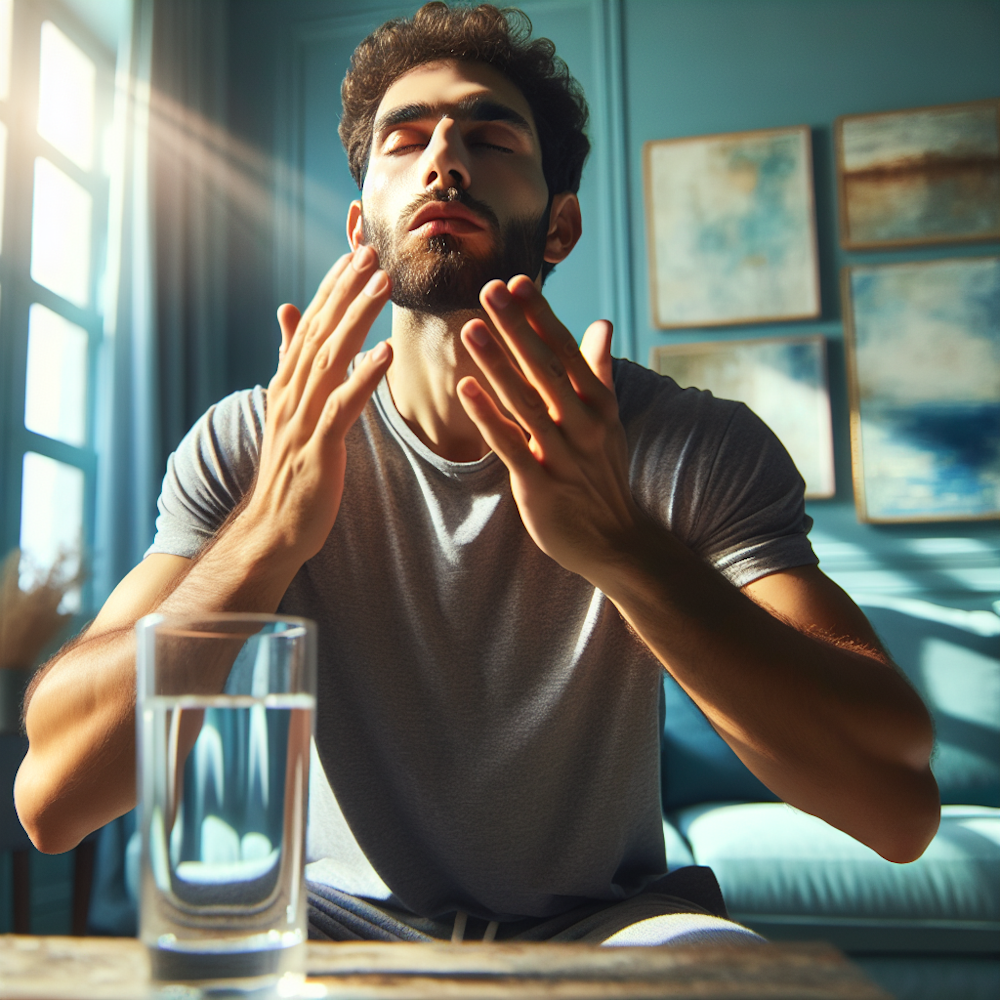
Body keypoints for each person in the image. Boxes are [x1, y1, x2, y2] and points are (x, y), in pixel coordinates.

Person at [16, 2, 939, 945]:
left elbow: (898, 806)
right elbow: (54, 797)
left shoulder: (690, 443)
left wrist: (624, 550)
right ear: (359, 224)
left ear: (561, 225)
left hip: (612, 927)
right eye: (405, 139)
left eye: (491, 137)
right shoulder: (255, 441)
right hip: (328, 928)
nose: (444, 159)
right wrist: (266, 532)